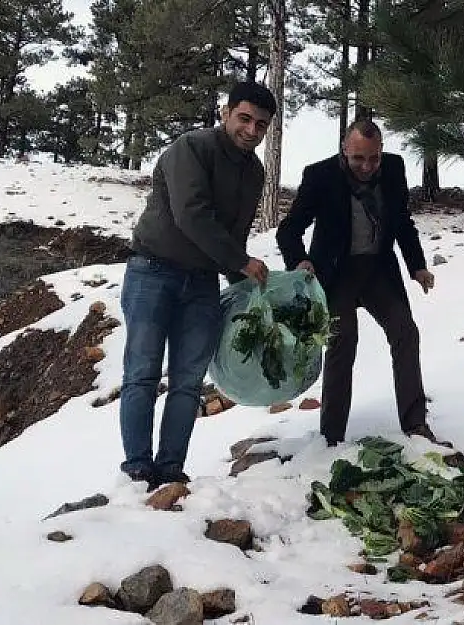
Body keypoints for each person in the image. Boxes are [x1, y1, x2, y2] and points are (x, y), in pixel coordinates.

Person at [118, 81, 276, 489]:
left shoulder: (255, 172)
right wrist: (241, 262)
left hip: (203, 284)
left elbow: (235, 234)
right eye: (244, 119)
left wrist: (243, 283)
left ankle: (170, 471)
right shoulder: (192, 148)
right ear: (226, 113)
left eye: (261, 125)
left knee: (187, 383)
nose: (251, 131)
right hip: (153, 271)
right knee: (142, 374)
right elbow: (191, 214)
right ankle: (137, 469)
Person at [275, 118, 445, 447]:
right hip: (336, 274)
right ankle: (331, 437)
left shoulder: (393, 169)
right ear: (344, 151)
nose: (367, 166)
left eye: (373, 158)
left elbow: (402, 222)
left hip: (378, 270)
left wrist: (417, 266)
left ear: (381, 153)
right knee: (342, 342)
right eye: (358, 158)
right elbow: (289, 228)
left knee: (405, 332)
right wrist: (300, 261)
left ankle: (416, 427)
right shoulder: (320, 176)